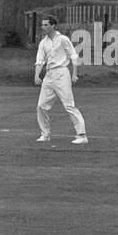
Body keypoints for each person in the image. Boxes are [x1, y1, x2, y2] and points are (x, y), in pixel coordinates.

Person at [33, 14, 87, 145]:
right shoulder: (43, 42)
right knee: (41, 106)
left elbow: (73, 56)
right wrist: (36, 75)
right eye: (42, 24)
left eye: (46, 25)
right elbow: (39, 61)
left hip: (62, 74)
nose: (43, 27)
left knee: (69, 105)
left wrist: (74, 74)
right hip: (49, 75)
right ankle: (45, 134)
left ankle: (82, 135)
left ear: (53, 25)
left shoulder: (63, 39)